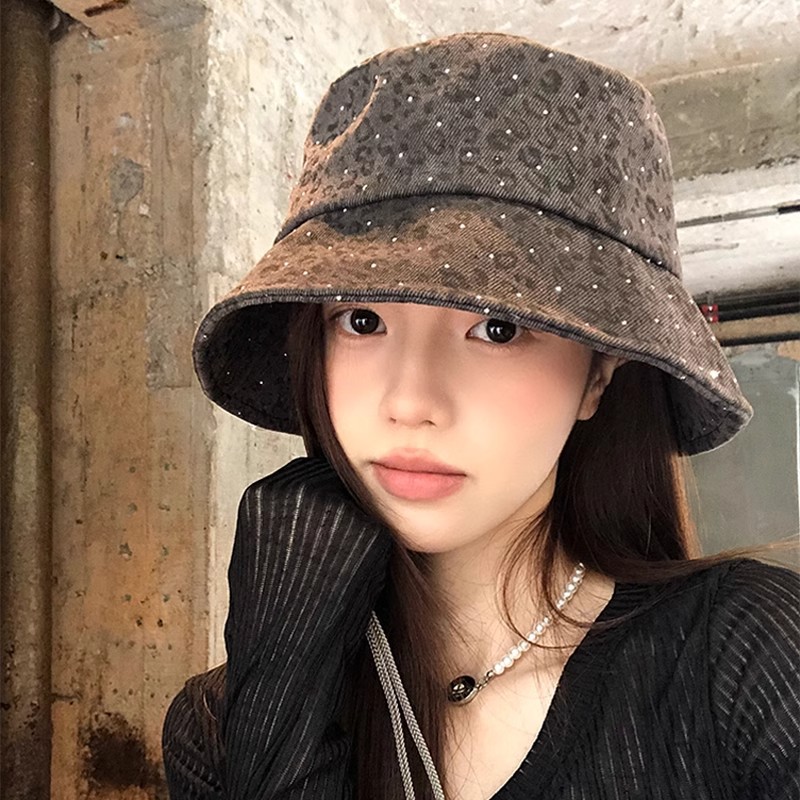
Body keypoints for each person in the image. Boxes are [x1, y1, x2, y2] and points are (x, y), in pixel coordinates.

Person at [162, 31, 800, 800]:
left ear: (598, 377)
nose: (410, 401)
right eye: (362, 320)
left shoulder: (746, 662)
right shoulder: (218, 724)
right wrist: (283, 691)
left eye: (498, 328)